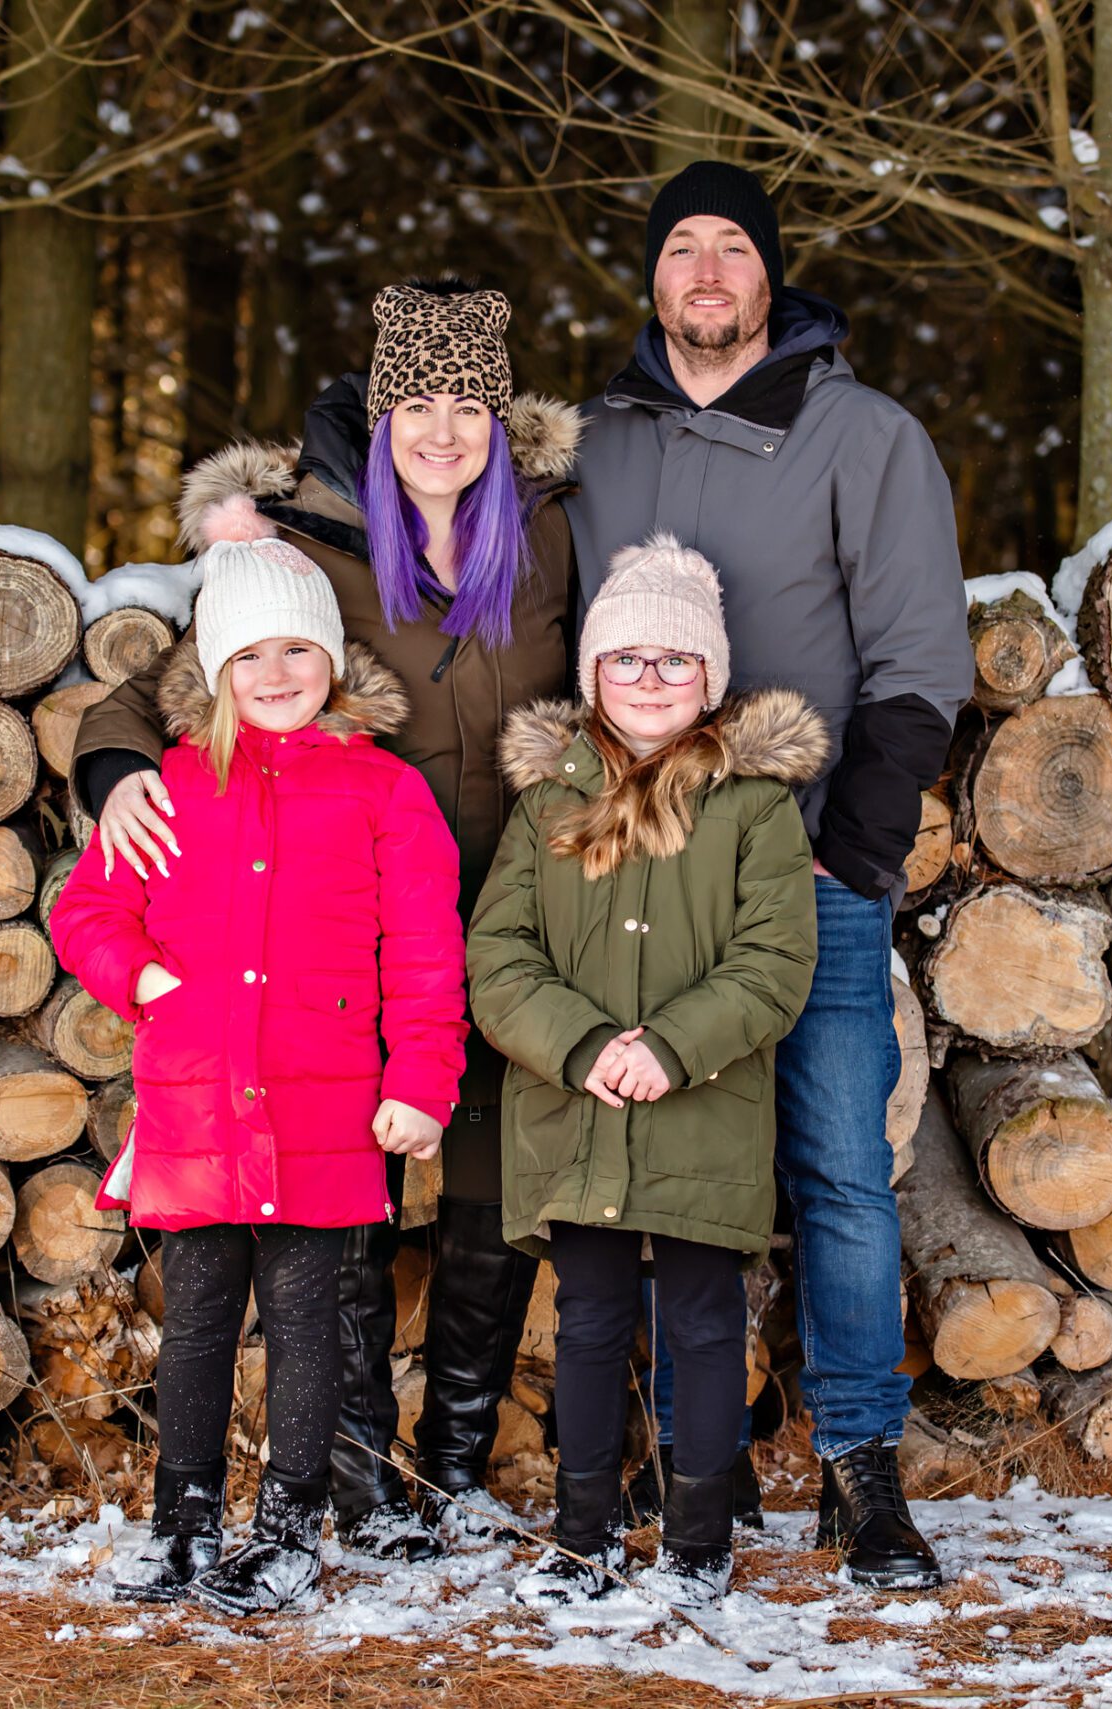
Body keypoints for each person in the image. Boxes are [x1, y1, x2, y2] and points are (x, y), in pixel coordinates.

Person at [69, 281, 580, 1557]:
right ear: (382, 413)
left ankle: (455, 1453)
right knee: (330, 1193)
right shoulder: (316, 545)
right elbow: (165, 687)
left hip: (515, 910)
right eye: (417, 402)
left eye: (470, 403)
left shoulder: (556, 536)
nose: (443, 430)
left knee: (487, 1188)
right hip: (337, 920)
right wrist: (119, 767)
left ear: (502, 421)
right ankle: (350, 1463)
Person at [563, 161, 974, 1589]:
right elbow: (429, 501)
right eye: (683, 246)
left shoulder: (863, 436)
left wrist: (848, 852)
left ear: (771, 276)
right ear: (656, 278)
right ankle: (699, 1467)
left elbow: (922, 664)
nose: (709, 271)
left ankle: (864, 1471)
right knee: (671, 1182)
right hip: (641, 876)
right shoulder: (600, 442)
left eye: (734, 246)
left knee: (840, 1174)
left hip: (806, 872)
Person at [48, 525, 469, 1614]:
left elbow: (426, 952)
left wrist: (420, 1082)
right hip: (196, 1099)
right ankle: (180, 1521)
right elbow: (88, 908)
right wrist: (140, 981)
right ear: (215, 670)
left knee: (307, 1321)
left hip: (326, 1101)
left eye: (296, 651)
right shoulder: (171, 786)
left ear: (331, 659)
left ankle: (287, 1525)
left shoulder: (385, 792)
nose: (276, 675)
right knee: (194, 1319)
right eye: (249, 656)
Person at [469, 536, 820, 1606]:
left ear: (710, 677)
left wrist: (671, 1045)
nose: (650, 680)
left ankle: (699, 1535)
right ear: (591, 675)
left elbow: (773, 962)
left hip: (701, 1111)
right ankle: (581, 1532)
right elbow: (499, 955)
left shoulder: (754, 809)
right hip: (575, 1112)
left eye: (675, 660)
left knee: (705, 1320)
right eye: (627, 659)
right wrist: (585, 1046)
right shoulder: (544, 807)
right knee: (586, 1316)